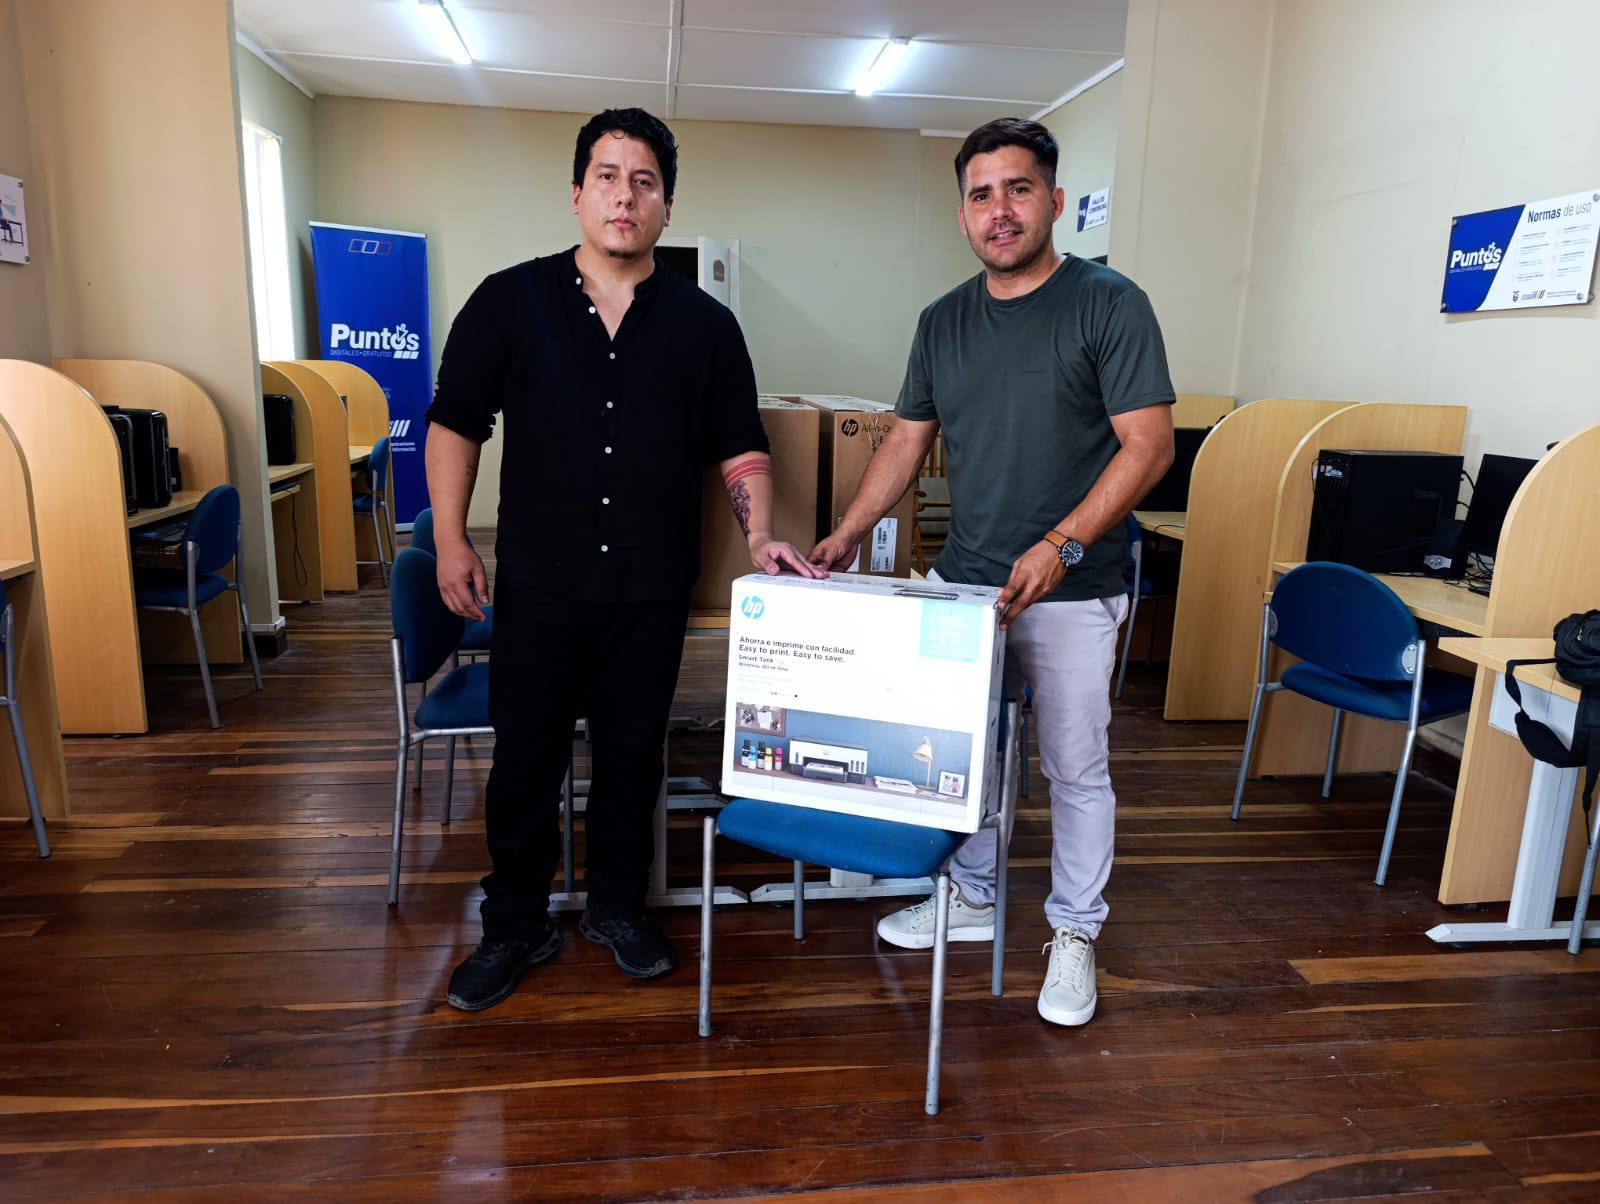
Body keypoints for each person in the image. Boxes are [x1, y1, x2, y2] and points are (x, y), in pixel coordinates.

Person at [425, 108, 818, 1012]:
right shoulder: (509, 301)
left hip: (650, 584)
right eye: (607, 176)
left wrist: (759, 533)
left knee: (633, 754)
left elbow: (741, 444)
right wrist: (449, 537)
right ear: (577, 193)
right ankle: (514, 922)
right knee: (526, 761)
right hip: (541, 581)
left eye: (644, 181)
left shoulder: (706, 326)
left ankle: (616, 908)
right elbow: (455, 423)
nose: (624, 196)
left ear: (667, 206)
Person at [811, 118, 1176, 1029]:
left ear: (1055, 201)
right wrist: (850, 531)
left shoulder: (1109, 304)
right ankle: (971, 897)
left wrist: (1061, 546)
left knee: (1074, 768)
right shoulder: (942, 321)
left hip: (1074, 588)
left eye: (1018, 189)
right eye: (981, 195)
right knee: (961, 759)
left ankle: (1075, 929)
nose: (999, 210)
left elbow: (1149, 446)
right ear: (963, 214)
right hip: (965, 586)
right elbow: (906, 441)